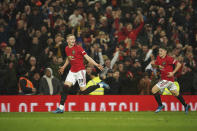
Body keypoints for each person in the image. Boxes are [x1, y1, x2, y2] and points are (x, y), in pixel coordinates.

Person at [52, 34, 108, 113]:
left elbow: (87, 57)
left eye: (74, 39)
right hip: (72, 71)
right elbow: (69, 58)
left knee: (84, 91)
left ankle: (100, 84)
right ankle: (61, 108)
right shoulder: (67, 48)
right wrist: (64, 66)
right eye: (71, 39)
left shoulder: (78, 48)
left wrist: (96, 64)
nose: (73, 40)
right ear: (67, 40)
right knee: (65, 87)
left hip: (80, 71)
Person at [151, 46, 190, 114]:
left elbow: (179, 64)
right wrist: (157, 66)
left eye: (161, 51)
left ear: (165, 52)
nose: (159, 52)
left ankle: (160, 105)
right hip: (168, 80)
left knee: (153, 90)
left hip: (167, 79)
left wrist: (173, 72)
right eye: (159, 51)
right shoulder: (158, 58)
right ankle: (186, 105)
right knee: (176, 93)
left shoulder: (169, 58)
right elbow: (153, 65)